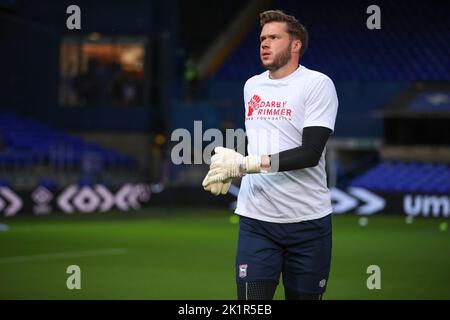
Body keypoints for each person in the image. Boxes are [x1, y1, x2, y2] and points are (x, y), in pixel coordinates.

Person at [202, 10, 339, 300]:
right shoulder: (251, 86)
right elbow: (264, 142)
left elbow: (309, 153)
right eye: (262, 38)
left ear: (295, 44)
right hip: (257, 221)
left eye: (274, 37)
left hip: (308, 223)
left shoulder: (317, 84)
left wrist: (244, 164)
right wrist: (235, 160)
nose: (264, 43)